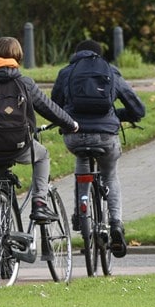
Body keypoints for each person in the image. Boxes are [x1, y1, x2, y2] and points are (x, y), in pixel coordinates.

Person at [0, 37, 78, 221]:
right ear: (17, 57)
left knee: (1, 186)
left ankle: (4, 232)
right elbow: (49, 108)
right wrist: (71, 124)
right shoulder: (25, 83)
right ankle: (40, 203)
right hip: (21, 146)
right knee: (43, 156)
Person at [51, 39, 146, 257]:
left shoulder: (67, 72)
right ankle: (115, 224)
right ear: (99, 55)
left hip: (75, 136)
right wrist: (119, 116)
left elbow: (54, 107)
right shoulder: (110, 71)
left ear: (76, 54)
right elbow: (137, 108)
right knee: (110, 176)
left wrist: (66, 122)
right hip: (106, 137)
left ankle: (81, 215)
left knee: (81, 166)